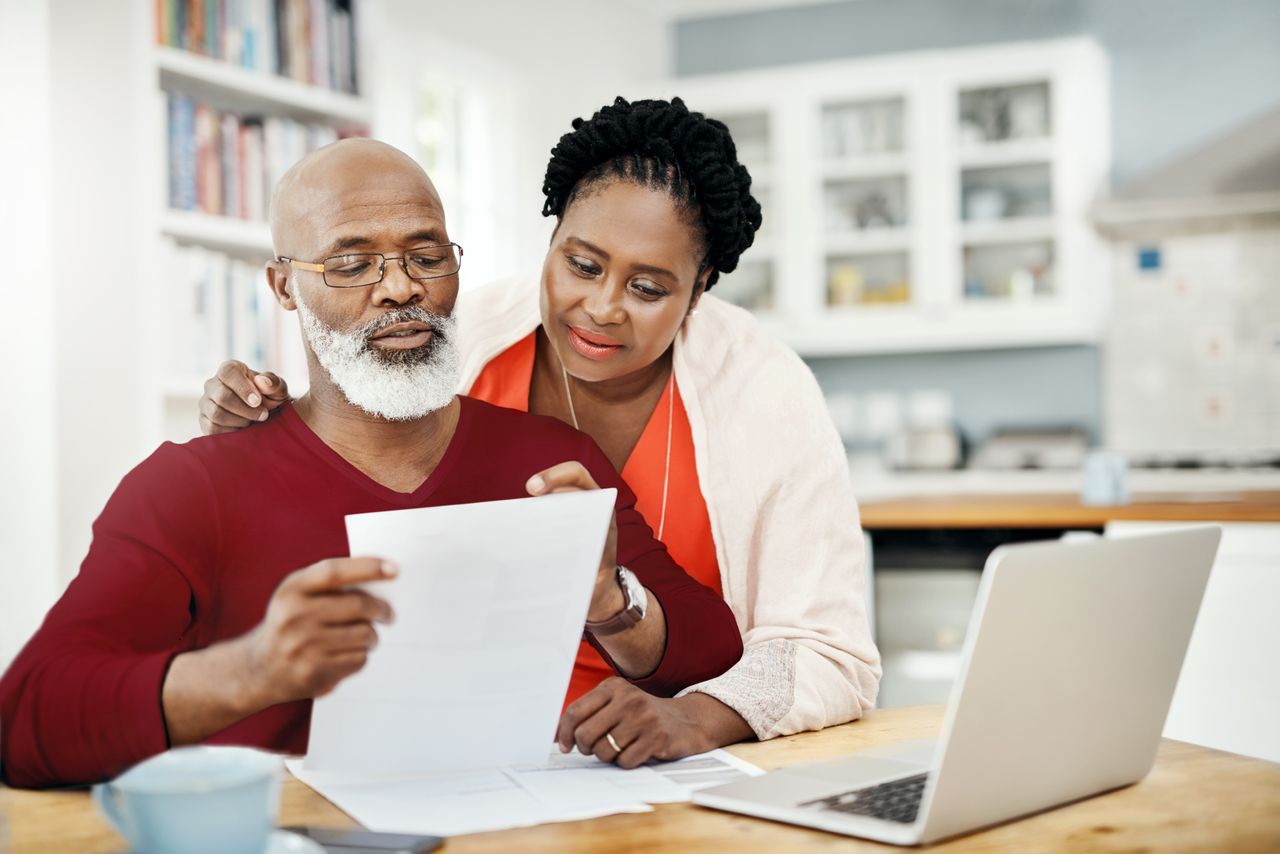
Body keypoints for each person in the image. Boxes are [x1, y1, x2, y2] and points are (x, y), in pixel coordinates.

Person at [0, 139, 743, 789]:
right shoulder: (188, 487)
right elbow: (27, 717)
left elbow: (714, 648)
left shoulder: (553, 462)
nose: (400, 288)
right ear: (285, 286)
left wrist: (610, 601)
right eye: (351, 263)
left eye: (426, 256)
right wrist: (252, 669)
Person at [198, 97, 881, 768]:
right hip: (460, 749)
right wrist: (256, 431)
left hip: (664, 767)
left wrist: (694, 717)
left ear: (698, 292)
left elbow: (829, 652)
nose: (602, 308)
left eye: (648, 288)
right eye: (581, 265)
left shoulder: (764, 393)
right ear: (551, 240)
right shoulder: (455, 344)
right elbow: (343, 505)